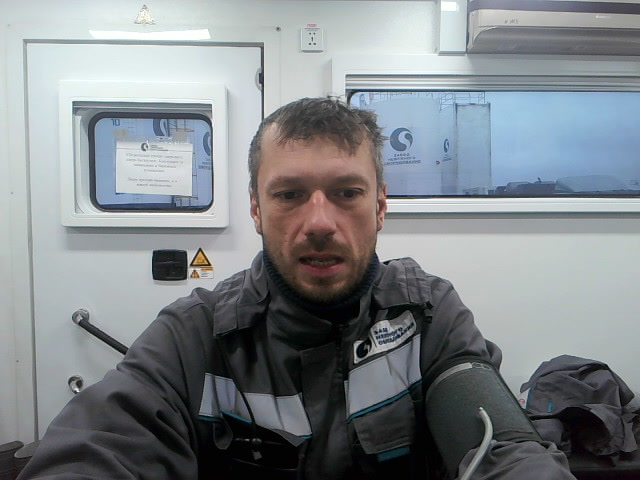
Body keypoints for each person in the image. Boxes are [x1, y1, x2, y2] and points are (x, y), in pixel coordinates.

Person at [17, 97, 576, 480]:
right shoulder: (192, 337)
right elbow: (98, 450)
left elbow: (504, 451)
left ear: (380, 205)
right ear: (256, 210)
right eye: (289, 195)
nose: (319, 222)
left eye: (347, 193)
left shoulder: (428, 316)